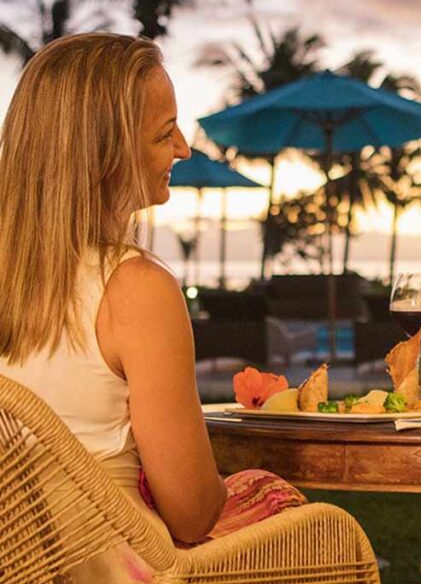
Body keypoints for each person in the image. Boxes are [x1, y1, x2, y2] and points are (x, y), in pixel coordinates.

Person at [0, 33, 305, 582]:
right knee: (286, 512)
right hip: (106, 564)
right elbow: (190, 514)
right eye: (165, 133)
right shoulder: (135, 289)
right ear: (105, 153)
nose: (184, 149)